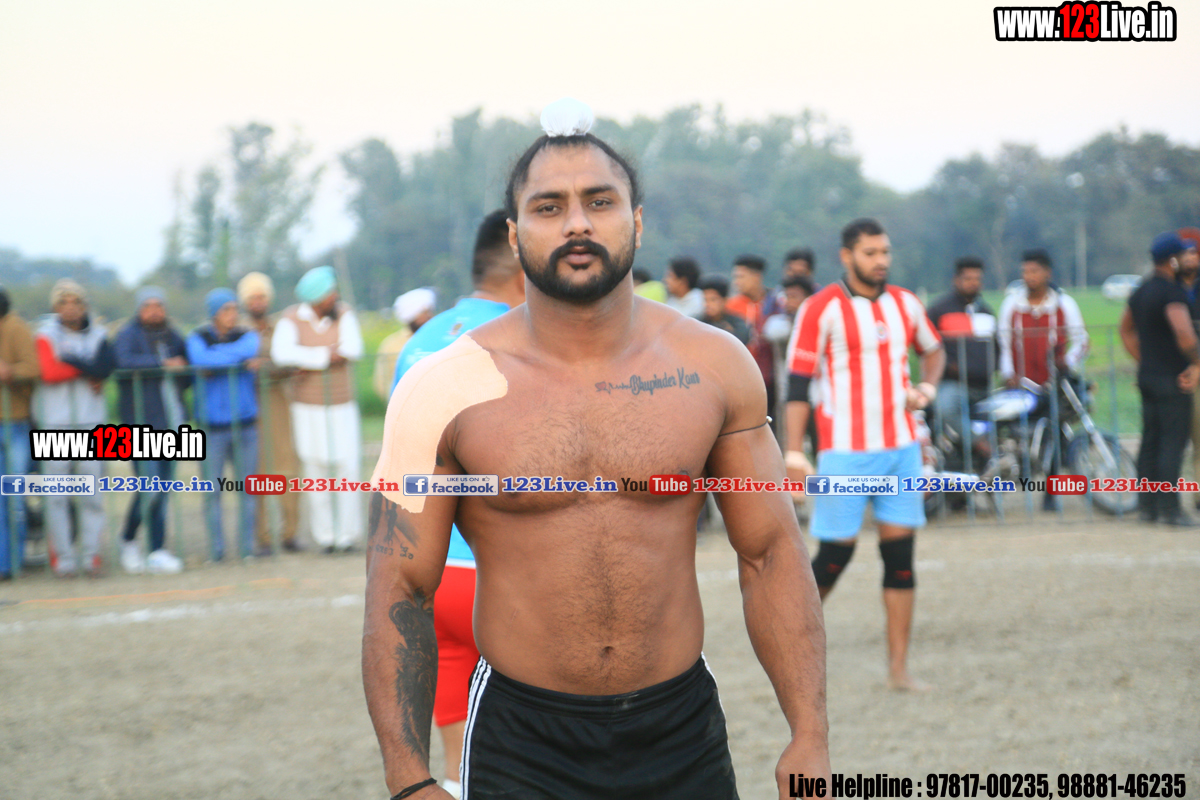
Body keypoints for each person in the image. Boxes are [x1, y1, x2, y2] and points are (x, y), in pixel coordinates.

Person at [364, 101, 829, 800]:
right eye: (549, 207)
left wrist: (810, 734)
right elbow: (400, 586)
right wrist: (408, 779)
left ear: (636, 222)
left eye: (599, 202)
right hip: (523, 742)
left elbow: (770, 552)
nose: (577, 223)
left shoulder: (713, 365)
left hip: (679, 729)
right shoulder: (444, 386)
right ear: (515, 234)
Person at [388, 209, 526, 799]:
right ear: (523, 261)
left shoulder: (421, 340)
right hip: (502, 572)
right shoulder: (520, 339)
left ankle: (454, 779)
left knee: (459, 757)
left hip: (429, 567)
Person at [784, 217, 944, 692]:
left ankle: (899, 670)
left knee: (900, 559)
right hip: (845, 453)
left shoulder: (906, 303)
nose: (881, 261)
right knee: (834, 556)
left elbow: (934, 351)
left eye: (885, 252)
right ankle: (786, 650)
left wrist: (927, 388)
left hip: (901, 450)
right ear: (847, 255)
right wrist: (793, 451)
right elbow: (798, 384)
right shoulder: (820, 308)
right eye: (870, 253)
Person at [271, 266, 364, 553]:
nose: (334, 297)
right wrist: (325, 356)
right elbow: (281, 354)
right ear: (316, 298)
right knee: (315, 469)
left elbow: (353, 349)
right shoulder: (291, 319)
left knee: (346, 467)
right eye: (329, 294)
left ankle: (347, 535)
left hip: (342, 404)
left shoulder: (344, 314)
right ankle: (325, 536)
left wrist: (305, 360)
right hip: (306, 406)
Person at [1119, 232, 1200, 526]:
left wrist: (1144, 359)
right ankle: (1170, 510)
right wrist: (1197, 362)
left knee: (1150, 442)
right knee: (1172, 444)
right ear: (1173, 260)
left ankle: (1147, 507)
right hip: (1173, 379)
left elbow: (1125, 329)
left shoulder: (1141, 291)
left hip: (1148, 377)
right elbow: (1183, 332)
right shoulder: (1172, 292)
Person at [34, 279, 113, 577]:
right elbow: (50, 372)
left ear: (84, 305)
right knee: (56, 496)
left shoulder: (99, 334)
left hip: (91, 422)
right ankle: (63, 557)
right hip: (55, 424)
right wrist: (86, 368)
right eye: (63, 302)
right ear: (55, 307)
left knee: (92, 494)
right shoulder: (45, 335)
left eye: (76, 302)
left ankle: (92, 555)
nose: (70, 308)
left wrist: (73, 362)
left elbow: (105, 367)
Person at [113, 287, 188, 575]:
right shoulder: (127, 334)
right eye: (149, 306)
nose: (155, 311)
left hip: (171, 422)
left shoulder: (173, 335)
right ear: (139, 309)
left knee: (164, 489)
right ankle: (128, 539)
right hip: (140, 424)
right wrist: (161, 364)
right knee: (150, 488)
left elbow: (186, 365)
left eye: (159, 305)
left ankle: (157, 550)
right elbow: (123, 361)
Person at [187, 288, 261, 561]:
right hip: (211, 427)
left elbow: (248, 349)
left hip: (245, 424)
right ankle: (216, 550)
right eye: (226, 309)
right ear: (213, 314)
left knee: (247, 490)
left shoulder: (248, 335)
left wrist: (216, 357)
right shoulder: (197, 337)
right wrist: (236, 360)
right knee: (212, 492)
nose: (232, 314)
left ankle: (246, 548)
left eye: (234, 309)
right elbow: (200, 359)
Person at [239, 272, 304, 554]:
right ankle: (263, 536)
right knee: (258, 471)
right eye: (253, 297)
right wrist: (270, 365)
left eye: (262, 296)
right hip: (249, 406)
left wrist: (264, 365)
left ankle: (290, 532)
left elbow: (291, 361)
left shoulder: (282, 327)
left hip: (280, 403)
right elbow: (242, 363)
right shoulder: (238, 330)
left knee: (288, 468)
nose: (258, 301)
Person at [925, 257, 999, 468]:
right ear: (956, 280)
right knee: (945, 408)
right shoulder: (939, 310)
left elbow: (998, 347)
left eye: (977, 279)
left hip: (984, 384)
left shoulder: (986, 312)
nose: (973, 283)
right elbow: (926, 346)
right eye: (968, 278)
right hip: (953, 384)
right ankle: (980, 444)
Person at [0, 286, 40, 579]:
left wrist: (10, 372)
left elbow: (33, 368)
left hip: (15, 422)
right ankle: (4, 564)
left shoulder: (16, 327)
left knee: (14, 497)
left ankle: (15, 561)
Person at [727, 254, 785, 426]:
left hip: (770, 376)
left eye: (741, 277)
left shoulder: (775, 304)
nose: (737, 282)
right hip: (740, 376)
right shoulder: (731, 307)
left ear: (756, 276)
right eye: (735, 277)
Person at [375, 288, 437, 400]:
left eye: (429, 312)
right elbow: (382, 383)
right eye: (423, 313)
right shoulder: (392, 345)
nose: (429, 316)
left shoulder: (437, 339)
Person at [1176, 235, 1200, 510]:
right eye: (1185, 254)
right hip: (1175, 371)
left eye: (1194, 253)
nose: (1190, 259)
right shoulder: (1169, 288)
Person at [697, 275, 751, 344]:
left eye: (713, 300)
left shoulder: (737, 323)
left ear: (724, 300)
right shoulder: (699, 323)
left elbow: (740, 341)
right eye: (705, 300)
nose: (707, 304)